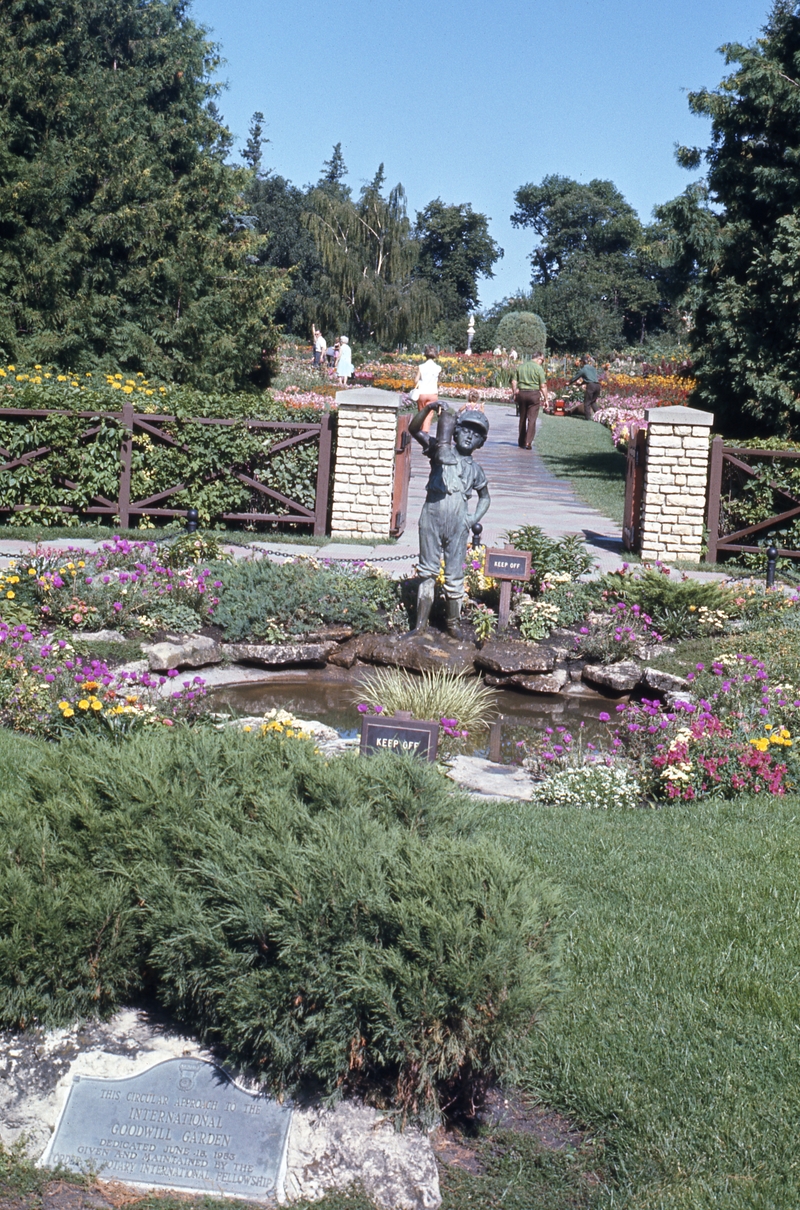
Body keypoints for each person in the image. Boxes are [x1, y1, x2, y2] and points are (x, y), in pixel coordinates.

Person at [407, 403, 491, 638]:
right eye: (465, 430)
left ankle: (452, 625)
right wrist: (429, 409)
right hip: (432, 516)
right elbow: (414, 430)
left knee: (455, 576)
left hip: (458, 524)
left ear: (481, 443)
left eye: (476, 435)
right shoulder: (438, 449)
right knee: (427, 572)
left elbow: (485, 498)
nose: (469, 436)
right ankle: (420, 626)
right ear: (455, 431)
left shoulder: (476, 470)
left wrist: (472, 518)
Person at [511, 353, 547, 449]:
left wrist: (515, 392)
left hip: (522, 394)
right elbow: (543, 386)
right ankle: (528, 442)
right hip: (534, 394)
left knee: (522, 418)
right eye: (542, 361)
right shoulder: (539, 369)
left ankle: (521, 441)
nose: (542, 363)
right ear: (539, 359)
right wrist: (546, 399)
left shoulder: (521, 367)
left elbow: (514, 381)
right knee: (532, 419)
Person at [413, 345, 441, 434]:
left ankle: (421, 430)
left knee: (421, 412)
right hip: (432, 393)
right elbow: (438, 381)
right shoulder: (438, 368)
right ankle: (425, 431)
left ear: (425, 354)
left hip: (422, 393)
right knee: (429, 414)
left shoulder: (421, 366)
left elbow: (416, 380)